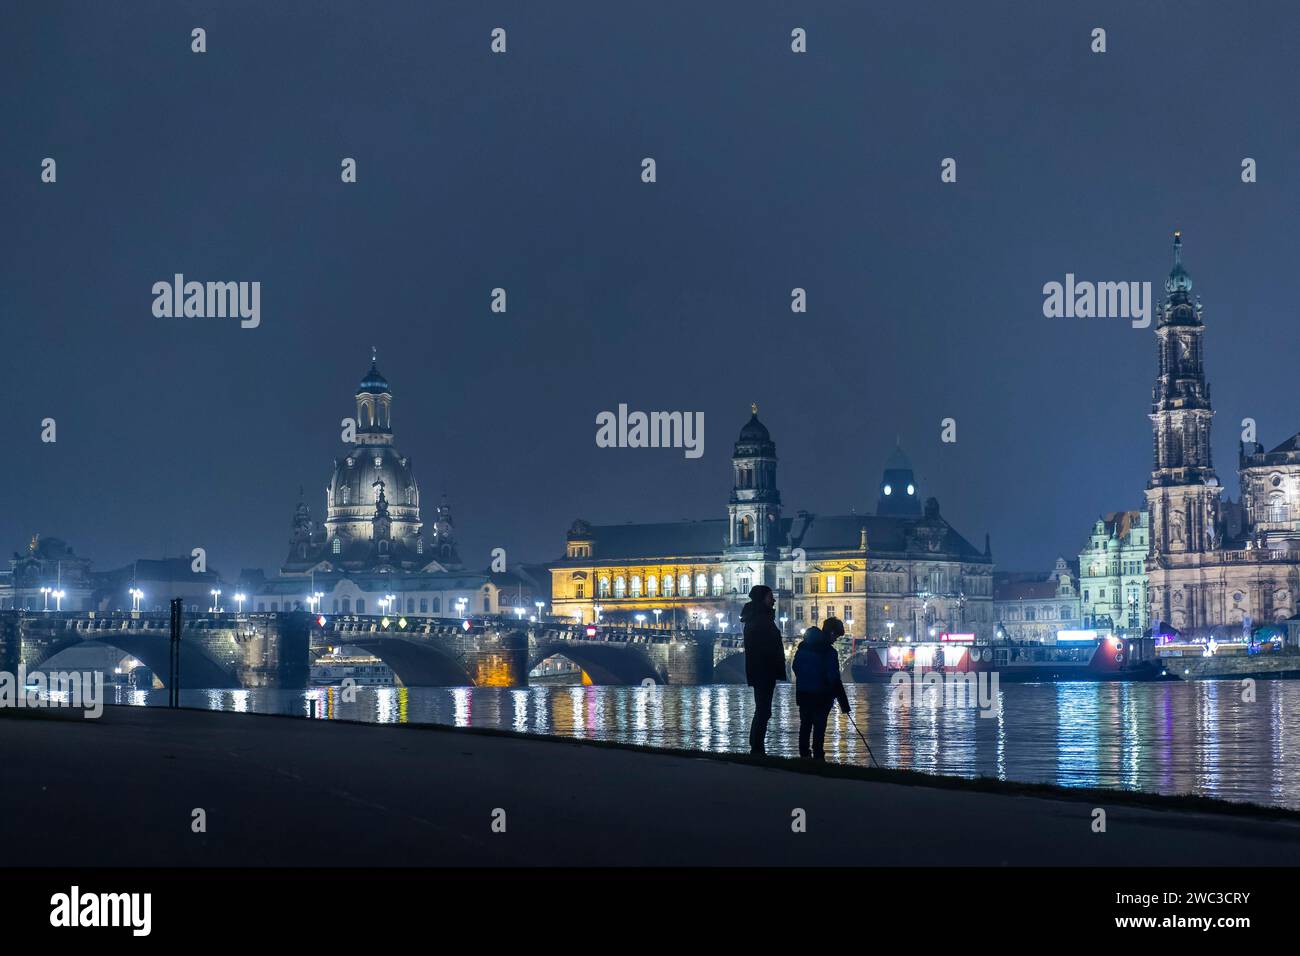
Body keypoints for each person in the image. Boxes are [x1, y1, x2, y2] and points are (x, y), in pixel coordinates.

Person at [792, 616, 851, 760]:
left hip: (803, 692)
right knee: (819, 727)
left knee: (805, 725)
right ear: (831, 633)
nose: (836, 639)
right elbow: (834, 678)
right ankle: (818, 755)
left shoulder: (803, 646)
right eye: (836, 636)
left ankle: (804, 755)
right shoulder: (829, 652)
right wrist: (844, 704)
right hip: (821, 695)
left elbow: (795, 667)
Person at [741, 584, 787, 755]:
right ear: (762, 599)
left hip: (763, 669)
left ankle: (756, 746)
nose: (773, 600)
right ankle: (757, 747)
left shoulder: (758, 617)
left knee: (763, 709)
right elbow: (761, 646)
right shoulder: (760, 619)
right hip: (763, 669)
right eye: (770, 597)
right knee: (763, 710)